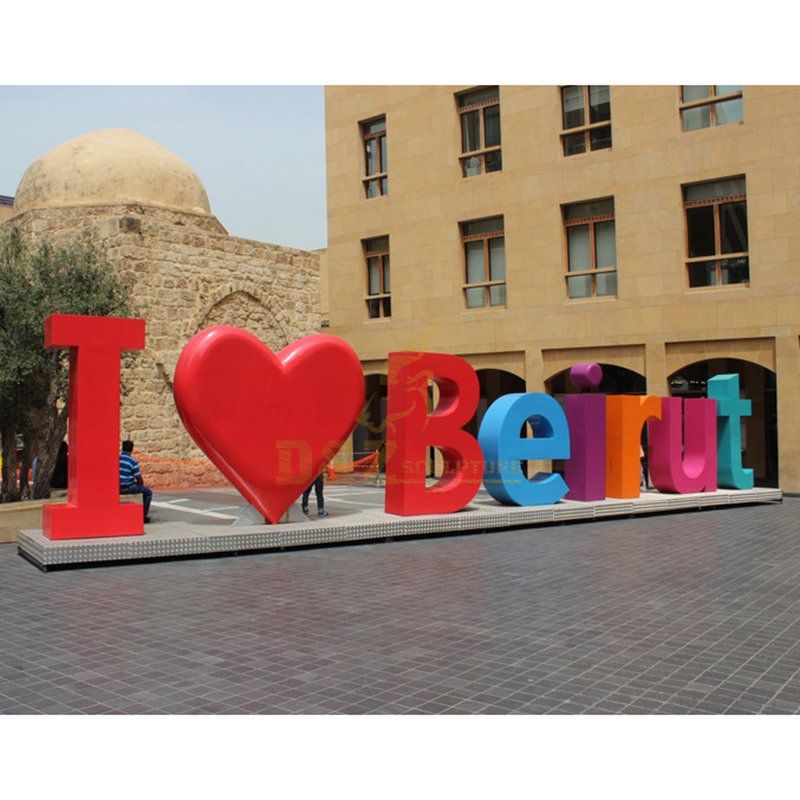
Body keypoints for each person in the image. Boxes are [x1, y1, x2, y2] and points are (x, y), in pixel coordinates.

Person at [119, 440, 153, 523]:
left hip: (117, 487)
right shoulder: (132, 461)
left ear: (122, 448)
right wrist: (139, 484)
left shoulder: (117, 459)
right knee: (148, 492)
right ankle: (143, 516)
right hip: (128, 487)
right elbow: (139, 479)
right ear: (131, 449)